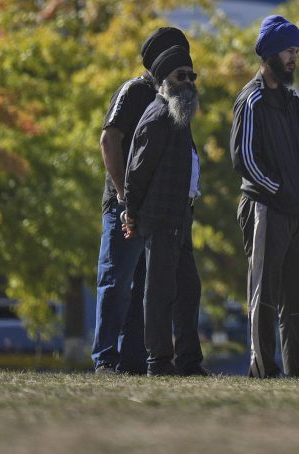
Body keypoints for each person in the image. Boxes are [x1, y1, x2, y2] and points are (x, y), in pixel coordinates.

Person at [92, 26, 188, 375]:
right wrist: (122, 196)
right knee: (117, 281)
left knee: (146, 288)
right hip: (124, 207)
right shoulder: (135, 91)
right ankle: (105, 358)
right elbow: (109, 140)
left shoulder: (175, 96)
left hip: (156, 212)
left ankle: (132, 360)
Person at [231, 15, 299, 379]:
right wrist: (281, 193)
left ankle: (298, 365)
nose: (293, 58)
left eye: (296, 51)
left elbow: (298, 155)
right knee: (264, 293)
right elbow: (244, 159)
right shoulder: (250, 100)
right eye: (287, 50)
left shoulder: (289, 99)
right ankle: (263, 366)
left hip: (293, 212)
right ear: (268, 53)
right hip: (264, 208)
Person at [122, 44, 207, 377]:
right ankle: (159, 360)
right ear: (163, 80)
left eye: (191, 76)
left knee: (188, 287)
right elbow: (136, 171)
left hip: (180, 216)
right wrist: (132, 214)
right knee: (159, 290)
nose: (187, 81)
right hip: (161, 217)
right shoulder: (158, 115)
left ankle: (188, 361)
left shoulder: (178, 115)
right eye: (180, 75)